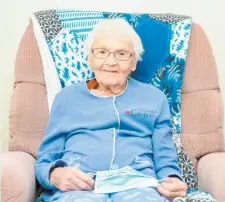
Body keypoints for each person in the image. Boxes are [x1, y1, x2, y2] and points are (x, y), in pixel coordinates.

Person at [35, 18, 187, 202]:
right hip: (81, 185)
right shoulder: (66, 98)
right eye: (102, 52)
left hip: (138, 184)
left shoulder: (155, 99)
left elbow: (165, 158)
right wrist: (55, 174)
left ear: (133, 62)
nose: (111, 61)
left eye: (121, 54)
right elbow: (45, 159)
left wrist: (173, 180)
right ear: (89, 58)